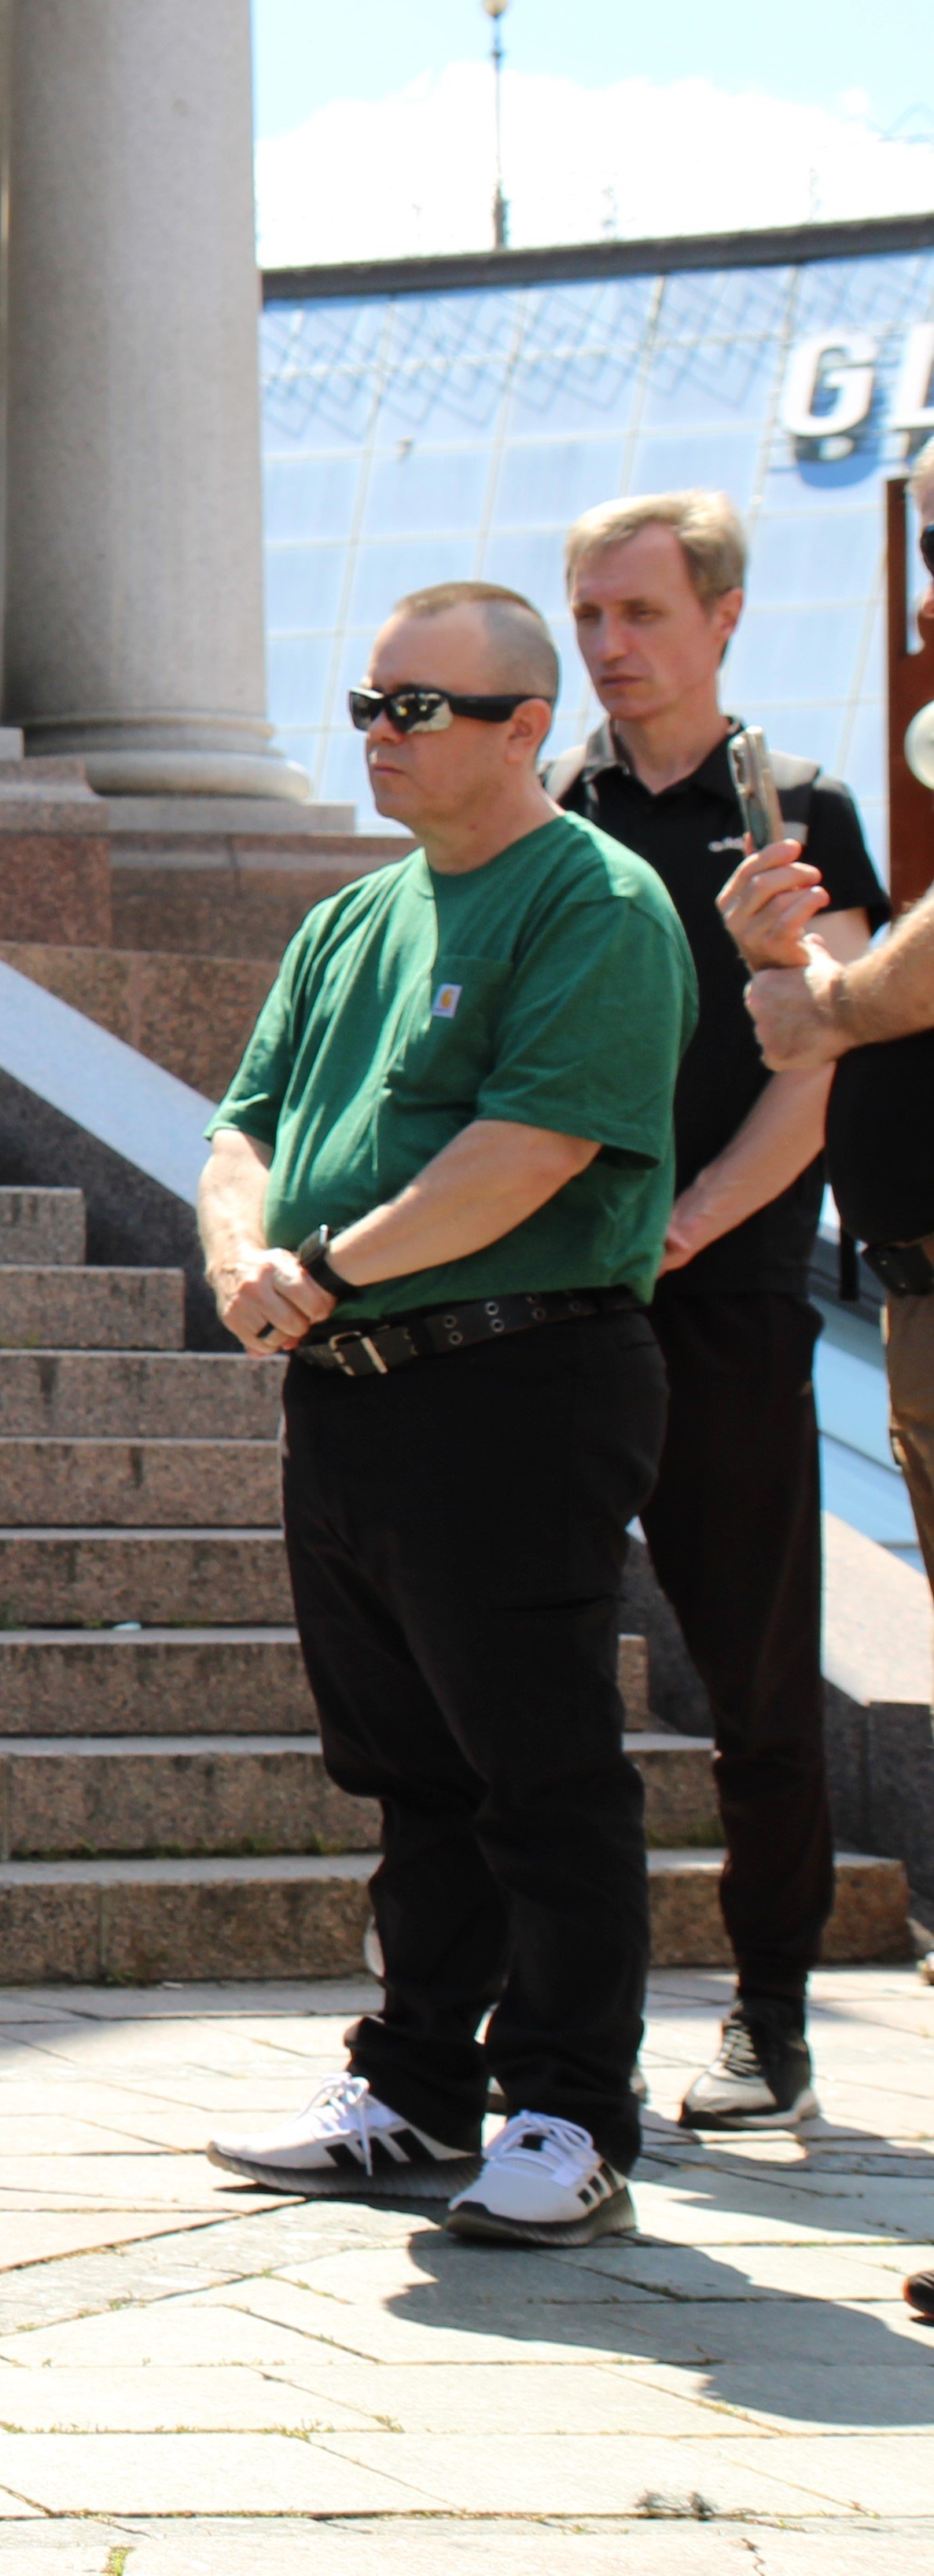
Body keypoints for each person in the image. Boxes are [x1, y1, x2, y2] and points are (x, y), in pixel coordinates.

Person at [197, 580, 693, 2247]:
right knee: (411, 1768)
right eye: (370, 702)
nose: (381, 736)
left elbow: (531, 1150)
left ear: (525, 728)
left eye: (421, 707)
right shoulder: (353, 920)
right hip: (351, 1398)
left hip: (516, 1377)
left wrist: (322, 1269)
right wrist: (242, 1260)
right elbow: (241, 1127)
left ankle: (568, 2106)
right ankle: (414, 2087)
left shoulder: (596, 905)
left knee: (538, 1764)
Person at [549, 491, 877, 2137]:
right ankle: (542, 2022)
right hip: (559, 1306)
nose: (611, 647)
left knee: (756, 1674)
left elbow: (823, 1069)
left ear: (724, 618)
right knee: (524, 1660)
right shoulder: (564, 809)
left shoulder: (799, 809)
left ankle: (770, 2017)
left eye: (642, 615)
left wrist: (682, 1229)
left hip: (727, 1295)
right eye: (590, 616)